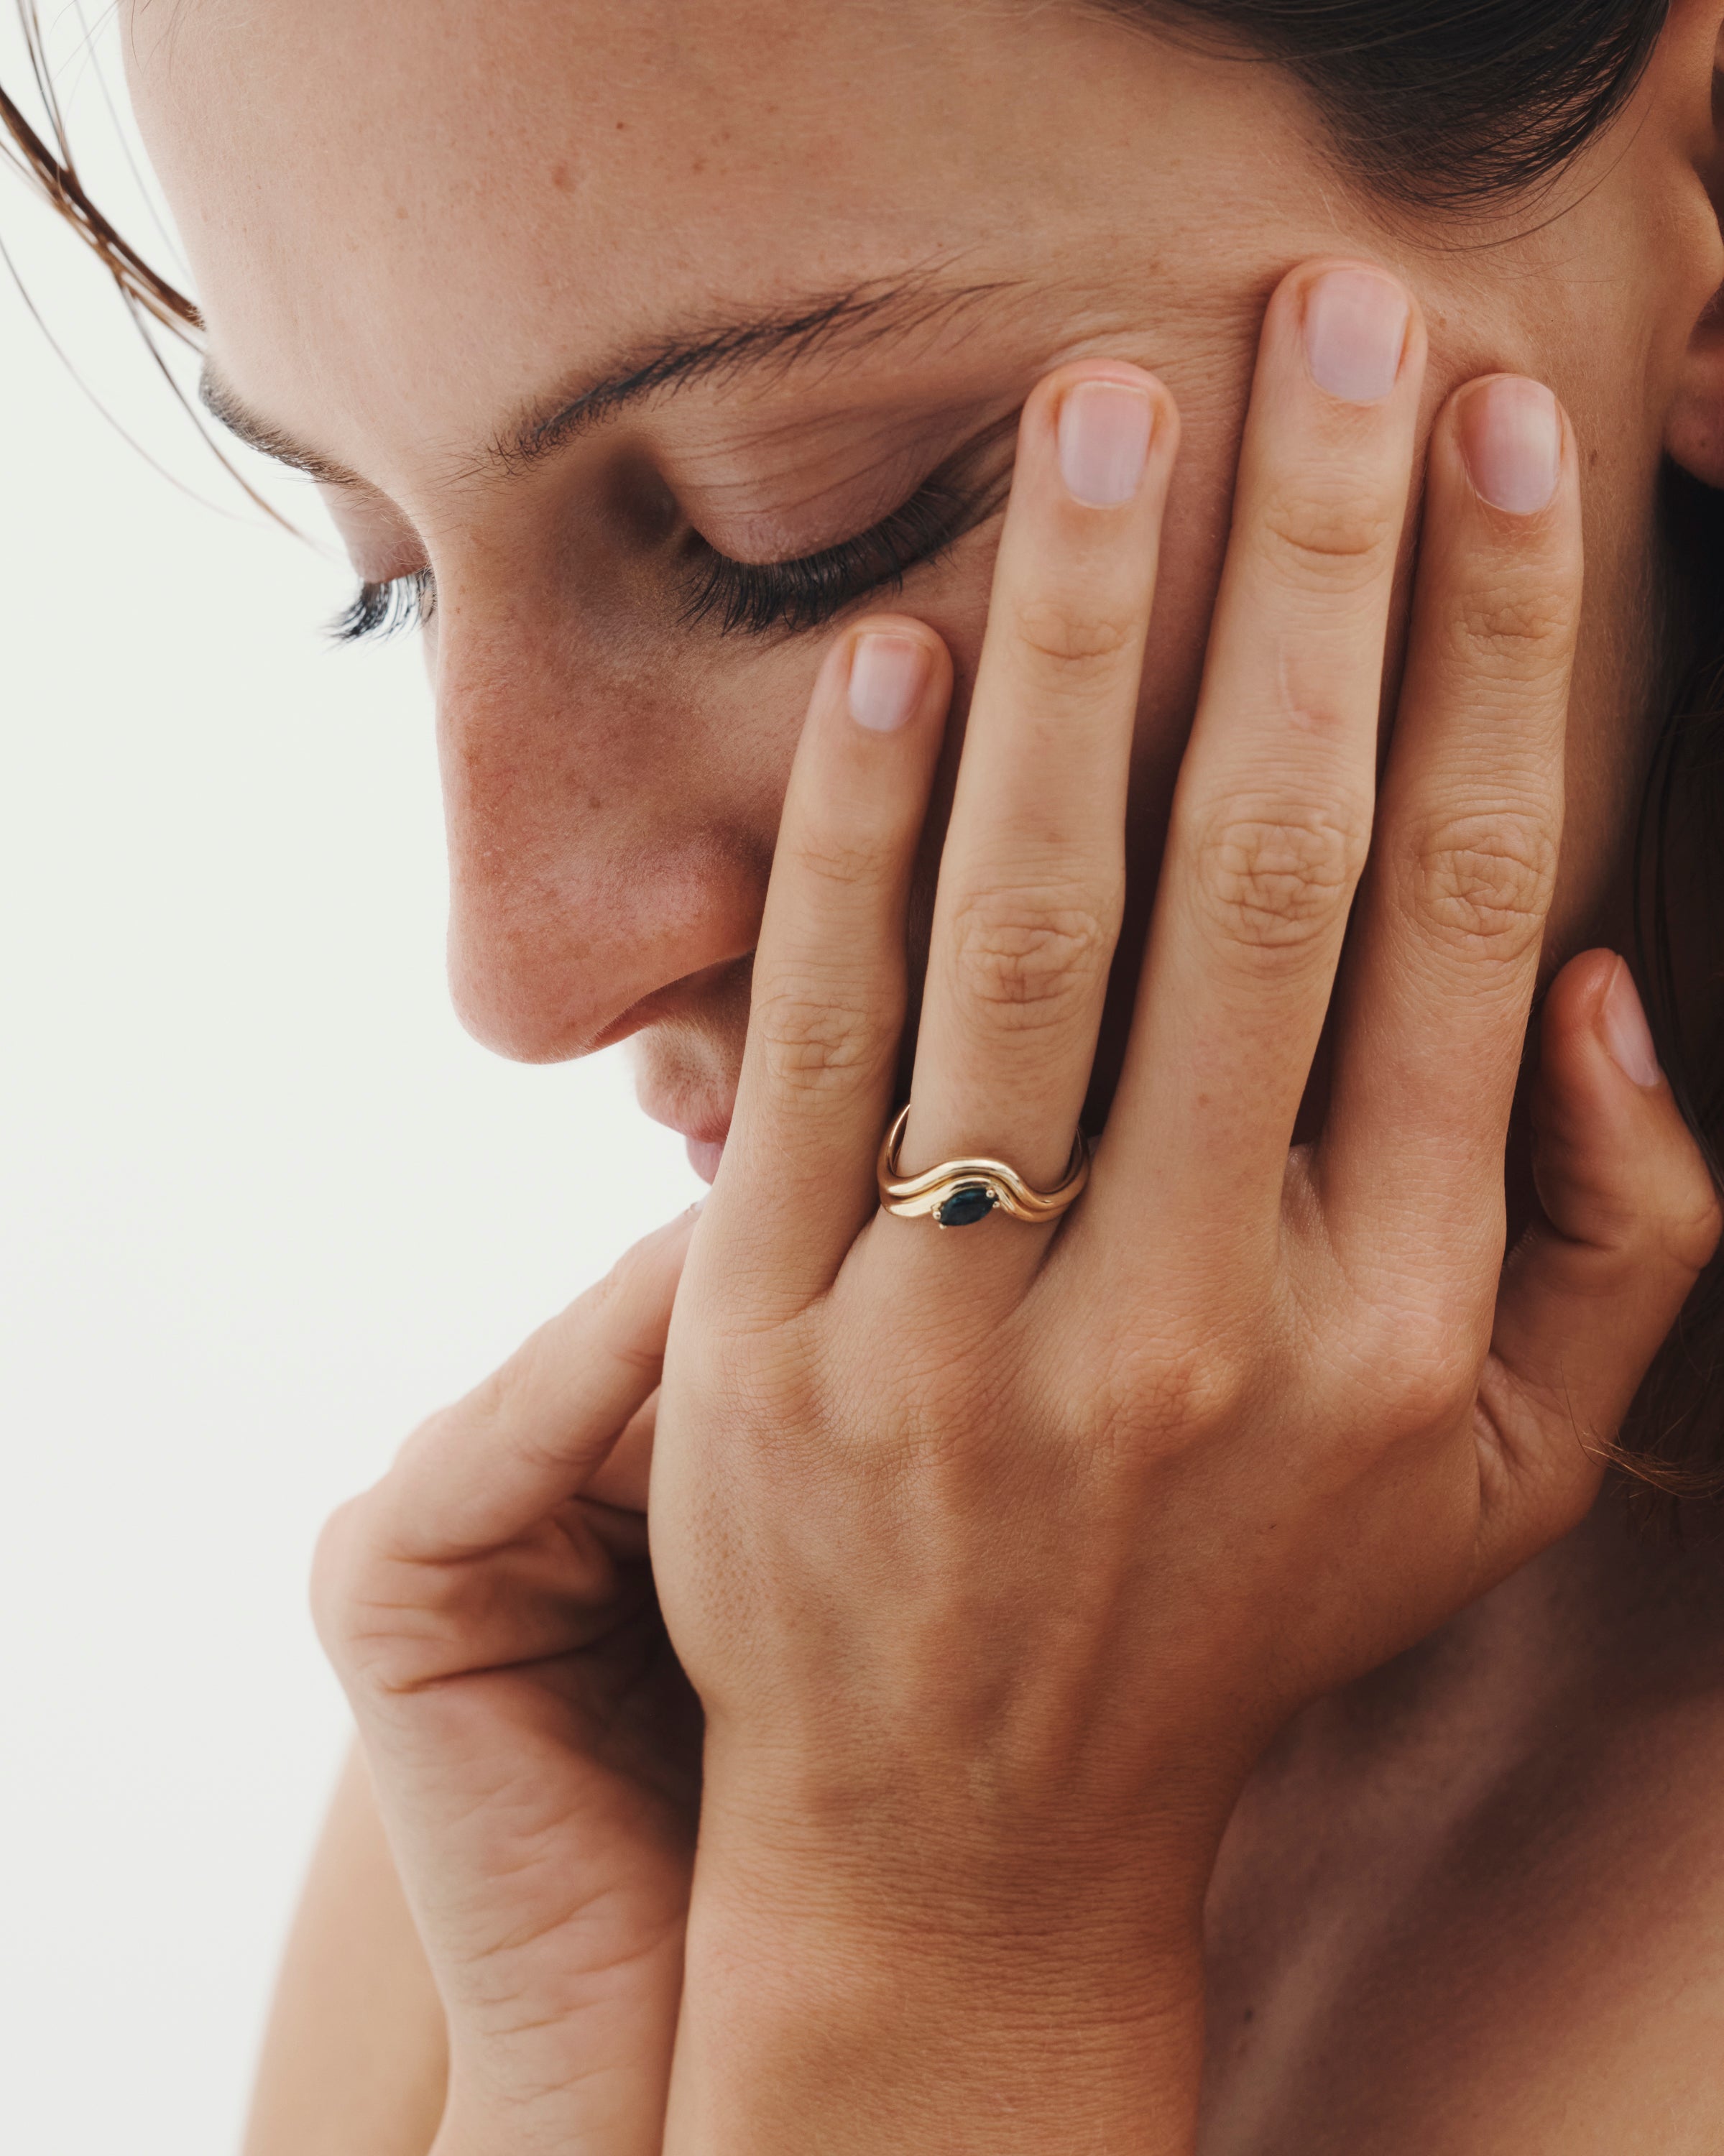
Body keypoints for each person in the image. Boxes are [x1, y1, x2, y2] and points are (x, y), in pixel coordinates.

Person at [14, 0, 1724, 2147]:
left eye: (801, 532)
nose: (518, 972)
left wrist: (931, 1941)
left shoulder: (836, 1732)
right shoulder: (701, 1682)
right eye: (394, 590)